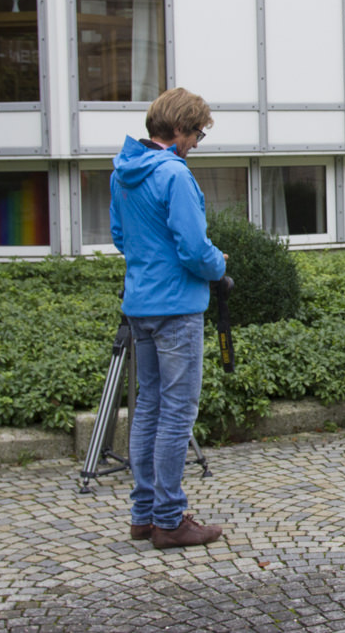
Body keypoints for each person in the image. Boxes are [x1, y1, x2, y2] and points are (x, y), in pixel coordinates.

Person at [110, 87, 227, 549]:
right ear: (179, 129)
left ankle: (143, 515)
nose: (197, 142)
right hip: (178, 308)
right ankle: (170, 519)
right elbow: (195, 250)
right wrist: (220, 263)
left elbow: (122, 237)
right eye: (197, 133)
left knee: (148, 409)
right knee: (177, 415)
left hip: (140, 305)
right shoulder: (174, 175)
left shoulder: (123, 172)